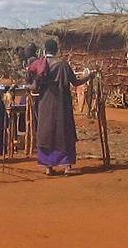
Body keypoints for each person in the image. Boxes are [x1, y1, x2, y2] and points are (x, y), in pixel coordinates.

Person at [26, 39, 90, 176]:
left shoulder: (39, 64)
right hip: (62, 105)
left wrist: (26, 87)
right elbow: (76, 82)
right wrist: (89, 76)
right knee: (64, 131)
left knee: (46, 132)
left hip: (44, 104)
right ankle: (67, 167)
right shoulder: (62, 65)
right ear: (57, 50)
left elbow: (34, 86)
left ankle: (48, 167)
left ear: (44, 50)